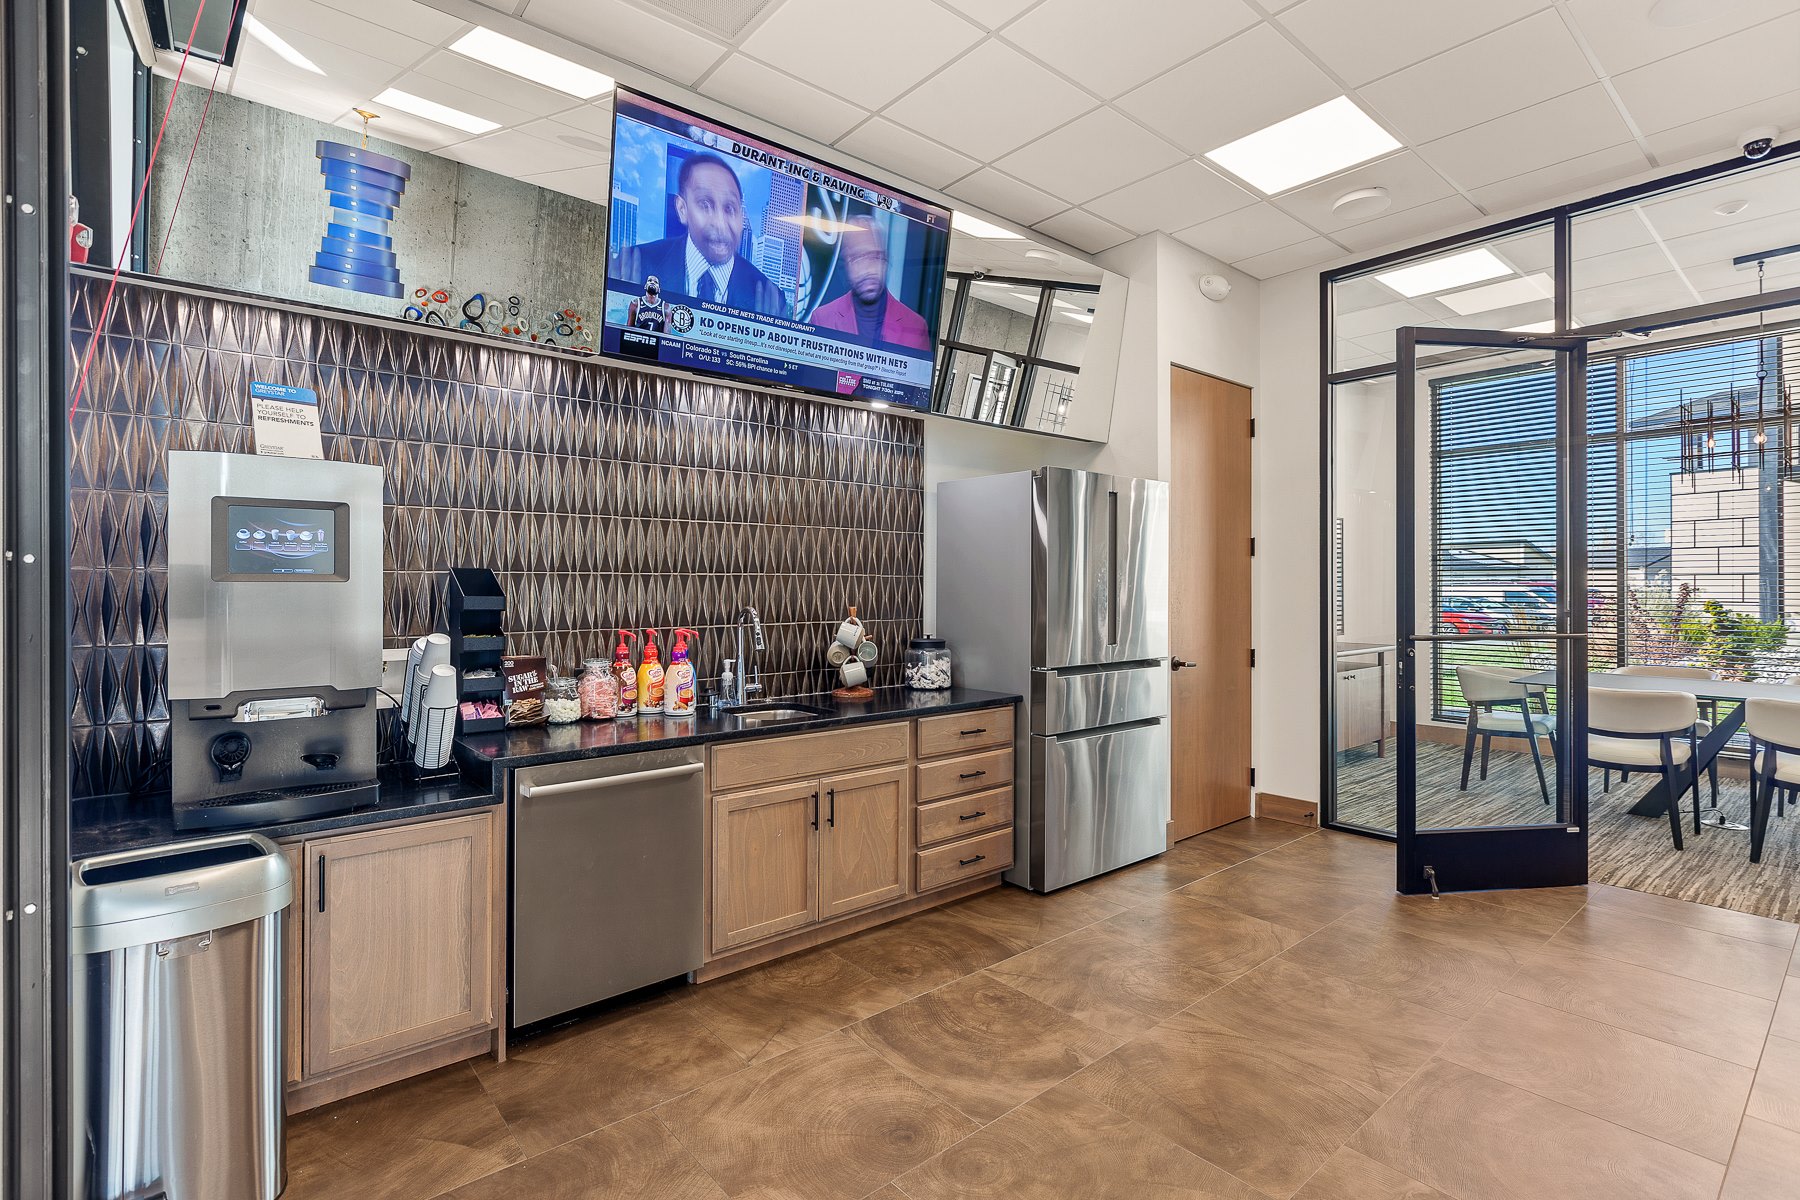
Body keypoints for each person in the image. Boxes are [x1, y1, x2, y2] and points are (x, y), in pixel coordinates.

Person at [612, 152, 787, 316]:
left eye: (729, 208)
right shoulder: (634, 266)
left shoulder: (770, 299)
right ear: (682, 209)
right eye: (705, 204)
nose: (720, 223)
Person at [808, 213, 930, 351]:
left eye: (875, 256)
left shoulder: (916, 326)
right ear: (845, 266)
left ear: (886, 261)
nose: (868, 268)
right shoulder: (822, 319)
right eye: (858, 258)